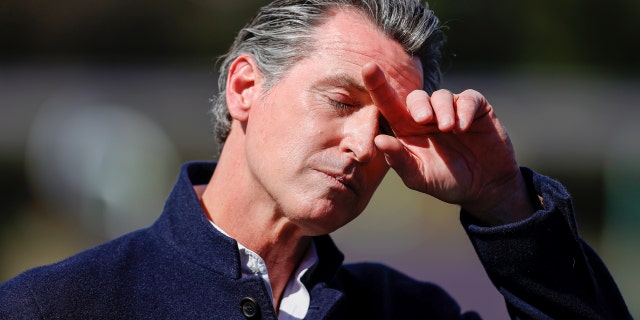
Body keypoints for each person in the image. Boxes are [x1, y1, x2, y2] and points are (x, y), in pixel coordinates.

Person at [0, 0, 632, 319]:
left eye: (387, 124)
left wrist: (502, 202)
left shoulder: (408, 313)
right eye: (339, 100)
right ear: (246, 88)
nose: (363, 144)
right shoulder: (54, 306)